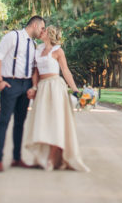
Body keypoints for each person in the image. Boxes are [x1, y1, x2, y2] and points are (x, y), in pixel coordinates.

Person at [22, 26, 90, 172]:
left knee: (56, 122)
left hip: (56, 88)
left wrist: (76, 91)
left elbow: (65, 71)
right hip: (42, 88)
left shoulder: (58, 51)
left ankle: (52, 159)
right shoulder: (37, 49)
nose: (41, 31)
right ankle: (42, 157)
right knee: (43, 122)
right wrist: (34, 87)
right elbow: (35, 71)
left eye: (44, 30)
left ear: (50, 34)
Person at [0, 15, 46, 172]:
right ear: (35, 25)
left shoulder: (33, 44)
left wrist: (33, 86)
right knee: (4, 121)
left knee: (19, 123)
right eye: (42, 28)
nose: (43, 31)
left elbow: (34, 67)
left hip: (26, 85)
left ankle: (17, 158)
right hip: (11, 82)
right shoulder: (12, 36)